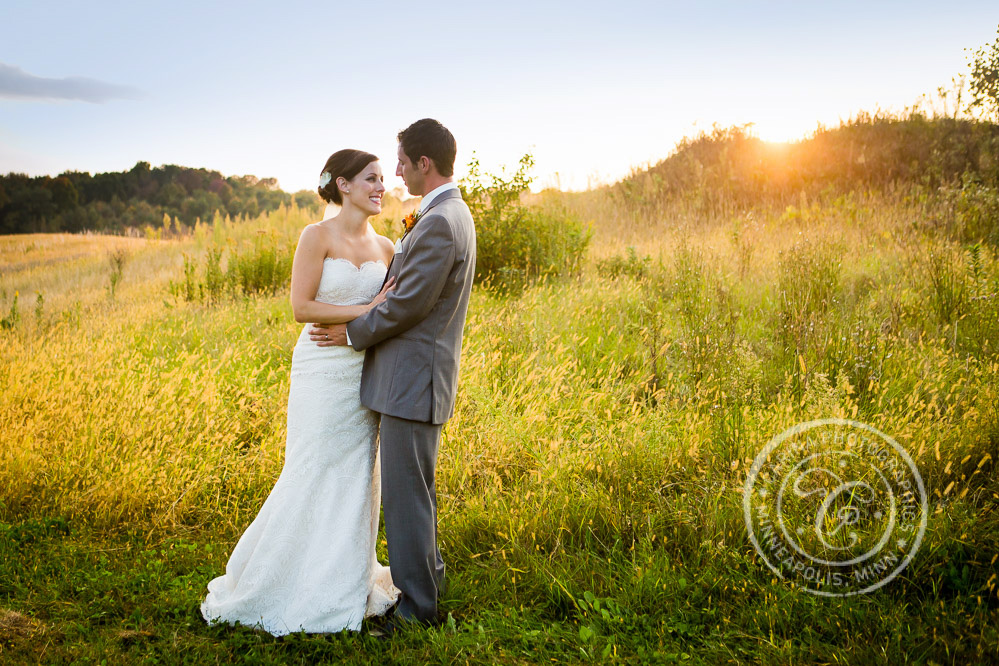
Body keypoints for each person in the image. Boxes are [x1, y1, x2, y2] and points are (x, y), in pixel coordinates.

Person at [200, 149, 401, 635]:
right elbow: (301, 306)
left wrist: (365, 319)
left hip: (363, 370)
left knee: (358, 476)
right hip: (319, 369)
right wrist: (365, 309)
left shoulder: (388, 248)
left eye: (382, 180)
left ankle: (345, 577)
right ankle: (283, 580)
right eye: (371, 179)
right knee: (313, 465)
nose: (381, 187)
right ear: (343, 184)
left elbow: (392, 311)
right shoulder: (316, 236)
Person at [310, 119, 476, 630]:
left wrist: (351, 332)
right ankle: (431, 580)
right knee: (415, 493)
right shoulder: (445, 214)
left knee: (406, 501)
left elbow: (405, 305)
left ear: (424, 163)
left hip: (413, 382)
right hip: (416, 379)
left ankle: (416, 611)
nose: (395, 171)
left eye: (401, 161)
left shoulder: (442, 221)